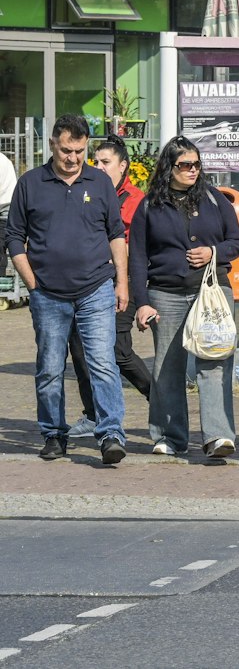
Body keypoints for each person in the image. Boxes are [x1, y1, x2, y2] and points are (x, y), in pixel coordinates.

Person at [6, 114, 130, 465]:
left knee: (103, 363)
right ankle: (53, 434)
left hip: (95, 289)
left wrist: (121, 282)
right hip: (48, 294)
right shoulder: (30, 183)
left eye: (79, 151)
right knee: (49, 367)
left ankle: (110, 435)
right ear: (52, 145)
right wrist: (33, 284)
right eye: (65, 150)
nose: (72, 158)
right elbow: (14, 237)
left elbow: (116, 234)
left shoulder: (100, 182)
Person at [131, 136, 239, 458]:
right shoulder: (149, 205)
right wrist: (142, 302)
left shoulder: (213, 198)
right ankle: (170, 436)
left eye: (197, 165)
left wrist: (213, 252)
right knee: (167, 367)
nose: (193, 170)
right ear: (169, 168)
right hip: (165, 293)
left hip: (211, 291)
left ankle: (218, 436)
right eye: (185, 165)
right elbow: (137, 258)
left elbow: (237, 241)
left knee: (215, 361)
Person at [67, 136, 152, 430]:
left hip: (122, 280)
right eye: (96, 162)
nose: (99, 167)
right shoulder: (85, 193)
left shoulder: (135, 200)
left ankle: (160, 398)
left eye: (106, 162)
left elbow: (133, 245)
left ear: (123, 166)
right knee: (78, 349)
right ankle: (93, 414)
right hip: (85, 280)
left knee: (117, 350)